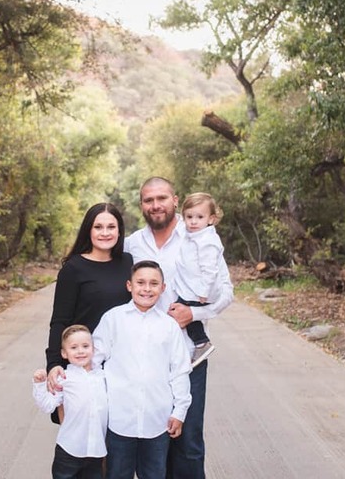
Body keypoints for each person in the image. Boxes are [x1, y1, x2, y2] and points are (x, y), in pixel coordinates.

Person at [124, 177, 234, 479]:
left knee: (187, 442)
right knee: (150, 441)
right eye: (148, 200)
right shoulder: (132, 244)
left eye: (162, 198)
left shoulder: (199, 237)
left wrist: (194, 314)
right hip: (143, 357)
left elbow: (226, 293)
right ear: (141, 205)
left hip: (188, 357)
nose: (155, 205)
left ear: (175, 200)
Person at [91, 260, 192, 479]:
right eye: (141, 282)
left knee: (155, 474)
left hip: (158, 421)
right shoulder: (112, 319)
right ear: (129, 285)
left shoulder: (169, 326)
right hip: (119, 420)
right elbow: (92, 361)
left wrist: (180, 411)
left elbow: (180, 371)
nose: (147, 288)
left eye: (154, 283)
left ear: (163, 288)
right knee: (116, 474)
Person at [46, 203, 133, 420]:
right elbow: (60, 320)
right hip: (82, 363)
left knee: (115, 439)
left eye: (111, 227)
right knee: (81, 441)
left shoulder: (128, 263)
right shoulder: (73, 269)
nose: (105, 233)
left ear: (119, 231)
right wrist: (54, 363)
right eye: (98, 227)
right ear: (89, 230)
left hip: (120, 364)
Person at [33, 325, 107, 479]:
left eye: (85, 346)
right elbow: (47, 405)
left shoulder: (102, 376)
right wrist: (40, 385)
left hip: (96, 450)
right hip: (69, 450)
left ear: (93, 349)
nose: (80, 351)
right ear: (64, 353)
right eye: (74, 347)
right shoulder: (64, 378)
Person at [174, 192, 226, 368]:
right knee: (181, 310)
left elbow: (210, 271)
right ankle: (200, 342)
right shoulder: (193, 233)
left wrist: (204, 292)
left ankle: (201, 343)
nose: (193, 222)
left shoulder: (207, 241)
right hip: (194, 288)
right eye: (189, 217)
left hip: (200, 291)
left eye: (199, 217)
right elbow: (180, 222)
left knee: (181, 311)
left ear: (211, 219)